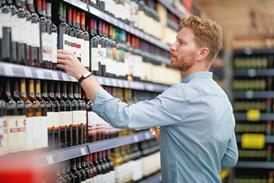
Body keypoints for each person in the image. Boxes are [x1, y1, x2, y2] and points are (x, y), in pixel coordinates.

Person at [57, 16, 238, 183]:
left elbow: (123, 116)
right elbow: (230, 157)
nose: (172, 46)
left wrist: (82, 74)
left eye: (181, 42)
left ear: (202, 53)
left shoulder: (184, 95)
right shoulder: (222, 99)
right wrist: (183, 144)